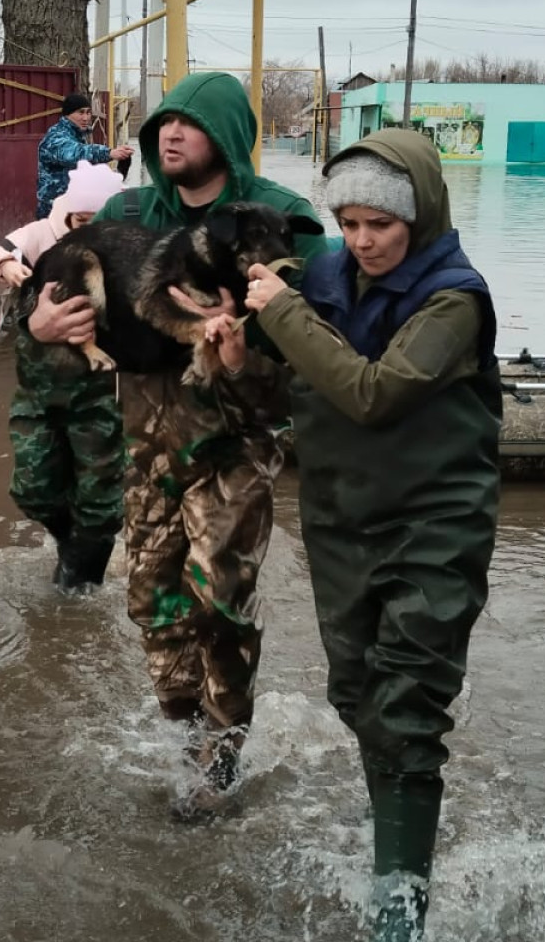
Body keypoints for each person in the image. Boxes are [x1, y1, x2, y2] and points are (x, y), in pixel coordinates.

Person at [205, 129, 499, 942]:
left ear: (420, 214)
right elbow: (279, 379)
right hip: (340, 521)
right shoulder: (326, 274)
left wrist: (284, 313)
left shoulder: (453, 300)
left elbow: (374, 395)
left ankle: (399, 912)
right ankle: (396, 835)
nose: (363, 241)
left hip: (436, 524)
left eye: (382, 225)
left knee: (407, 712)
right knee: (357, 697)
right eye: (350, 222)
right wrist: (238, 355)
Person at [28, 71, 330, 821]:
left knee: (220, 599)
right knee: (151, 603)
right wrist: (42, 324)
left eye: (188, 125)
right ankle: (183, 729)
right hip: (148, 442)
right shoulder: (131, 209)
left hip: (236, 439)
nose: (170, 135)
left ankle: (221, 757)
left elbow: (323, 331)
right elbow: (53, 288)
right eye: (163, 122)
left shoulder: (281, 218)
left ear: (225, 135)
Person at [0, 160, 128, 593]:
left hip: (101, 395)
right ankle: (70, 548)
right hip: (39, 392)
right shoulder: (38, 237)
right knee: (33, 490)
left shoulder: (120, 243)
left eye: (97, 222)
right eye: (82, 222)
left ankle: (81, 584)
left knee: (100, 503)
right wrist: (3, 266)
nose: (87, 231)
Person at [36, 92, 132, 218]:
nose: (86, 118)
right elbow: (75, 154)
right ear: (67, 115)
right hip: (54, 211)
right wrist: (109, 153)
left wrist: (119, 171)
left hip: (74, 209)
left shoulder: (78, 136)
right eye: (80, 113)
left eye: (88, 112)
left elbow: (87, 171)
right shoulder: (56, 137)